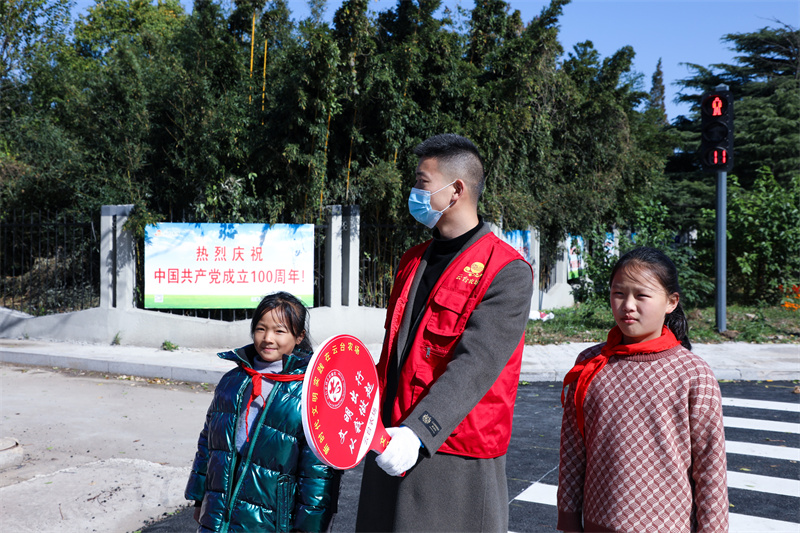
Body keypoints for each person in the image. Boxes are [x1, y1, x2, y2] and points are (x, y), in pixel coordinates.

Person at [355, 133, 533, 532]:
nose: (413, 193)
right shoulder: (412, 260)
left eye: (421, 183)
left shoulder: (506, 271)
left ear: (455, 190)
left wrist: (420, 432)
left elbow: (476, 366)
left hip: (453, 452)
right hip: (390, 439)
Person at [557, 247, 729, 532]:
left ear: (671, 302)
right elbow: (573, 451)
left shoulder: (693, 374)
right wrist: (569, 519)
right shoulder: (590, 365)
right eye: (618, 293)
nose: (628, 305)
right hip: (599, 523)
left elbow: (711, 468)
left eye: (642, 295)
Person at [185, 292, 341, 532]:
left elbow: (317, 474)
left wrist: (309, 528)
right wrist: (199, 499)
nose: (268, 338)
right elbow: (207, 443)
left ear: (299, 337)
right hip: (218, 514)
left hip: (271, 521)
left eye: (280, 331)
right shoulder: (232, 381)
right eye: (260, 329)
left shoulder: (310, 392)